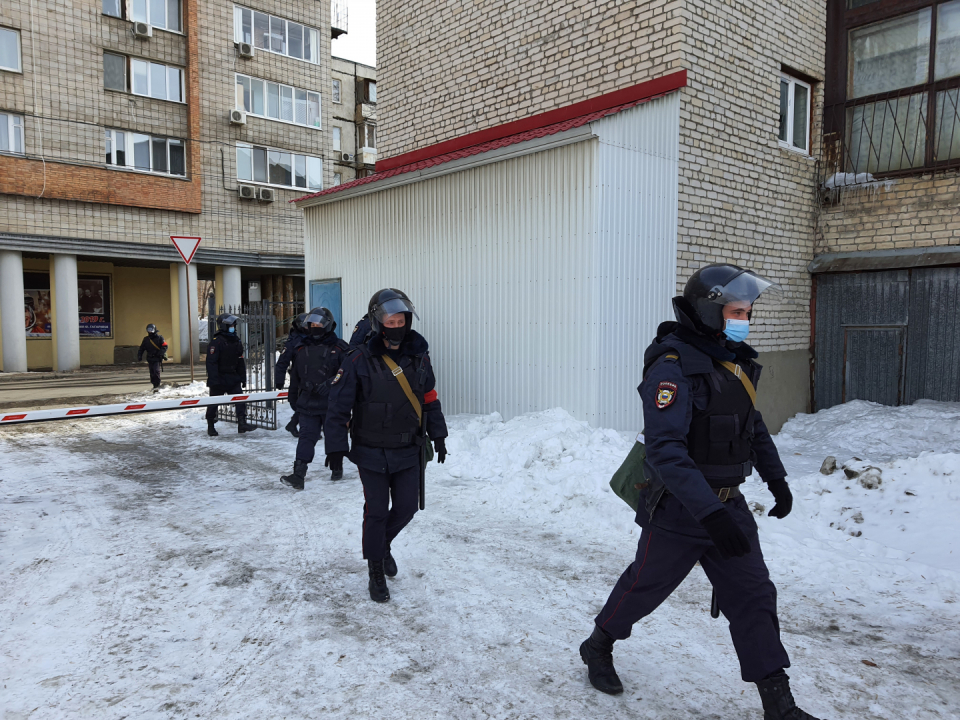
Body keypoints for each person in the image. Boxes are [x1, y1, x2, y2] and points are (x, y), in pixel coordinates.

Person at [579, 264, 821, 720]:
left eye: (747, 312)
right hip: (679, 512)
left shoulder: (735, 361)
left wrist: (778, 480)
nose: (743, 319)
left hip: (730, 507)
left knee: (753, 597)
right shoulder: (672, 367)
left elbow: (754, 427)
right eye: (735, 311)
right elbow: (667, 451)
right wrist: (710, 514)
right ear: (711, 312)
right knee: (644, 588)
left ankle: (779, 704)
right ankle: (598, 645)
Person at [325, 288, 448, 603]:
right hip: (370, 451)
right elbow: (339, 407)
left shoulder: (418, 356)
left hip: (408, 449)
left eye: (401, 319)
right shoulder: (357, 359)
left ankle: (383, 545)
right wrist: (335, 447)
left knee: (407, 508)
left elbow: (429, 399)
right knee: (377, 512)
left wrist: (439, 434)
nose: (396, 325)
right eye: (389, 320)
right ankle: (375, 569)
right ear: (378, 323)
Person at [280, 308, 350, 489]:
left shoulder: (340, 348)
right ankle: (298, 474)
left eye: (319, 324)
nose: (315, 327)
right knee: (306, 437)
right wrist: (293, 397)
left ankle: (337, 467)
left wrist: (330, 385)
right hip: (307, 402)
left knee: (334, 437)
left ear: (327, 325)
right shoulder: (301, 347)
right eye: (312, 324)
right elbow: (295, 375)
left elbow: (347, 374)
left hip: (332, 403)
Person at [205, 313, 256, 436]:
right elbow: (211, 363)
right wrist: (213, 380)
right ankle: (210, 425)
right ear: (224, 326)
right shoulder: (216, 342)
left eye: (234, 324)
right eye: (231, 325)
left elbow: (240, 360)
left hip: (233, 377)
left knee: (240, 400)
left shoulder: (235, 340)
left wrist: (242, 377)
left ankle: (242, 424)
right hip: (219, 377)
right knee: (214, 403)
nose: (234, 326)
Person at [275, 312, 307, 437]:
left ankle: (295, 425)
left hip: (313, 374)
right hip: (297, 376)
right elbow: (282, 362)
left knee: (308, 403)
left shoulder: (313, 338)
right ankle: (294, 424)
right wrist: (279, 380)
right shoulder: (292, 342)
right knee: (299, 403)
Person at [137, 323, 168, 391]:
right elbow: (141, 348)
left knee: (156, 371)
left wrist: (160, 353)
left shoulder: (160, 338)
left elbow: (165, 346)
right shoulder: (146, 339)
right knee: (152, 372)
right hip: (150, 358)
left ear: (154, 329)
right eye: (148, 330)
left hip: (157, 358)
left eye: (151, 329)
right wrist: (139, 355)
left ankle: (157, 384)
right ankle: (154, 384)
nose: (150, 331)